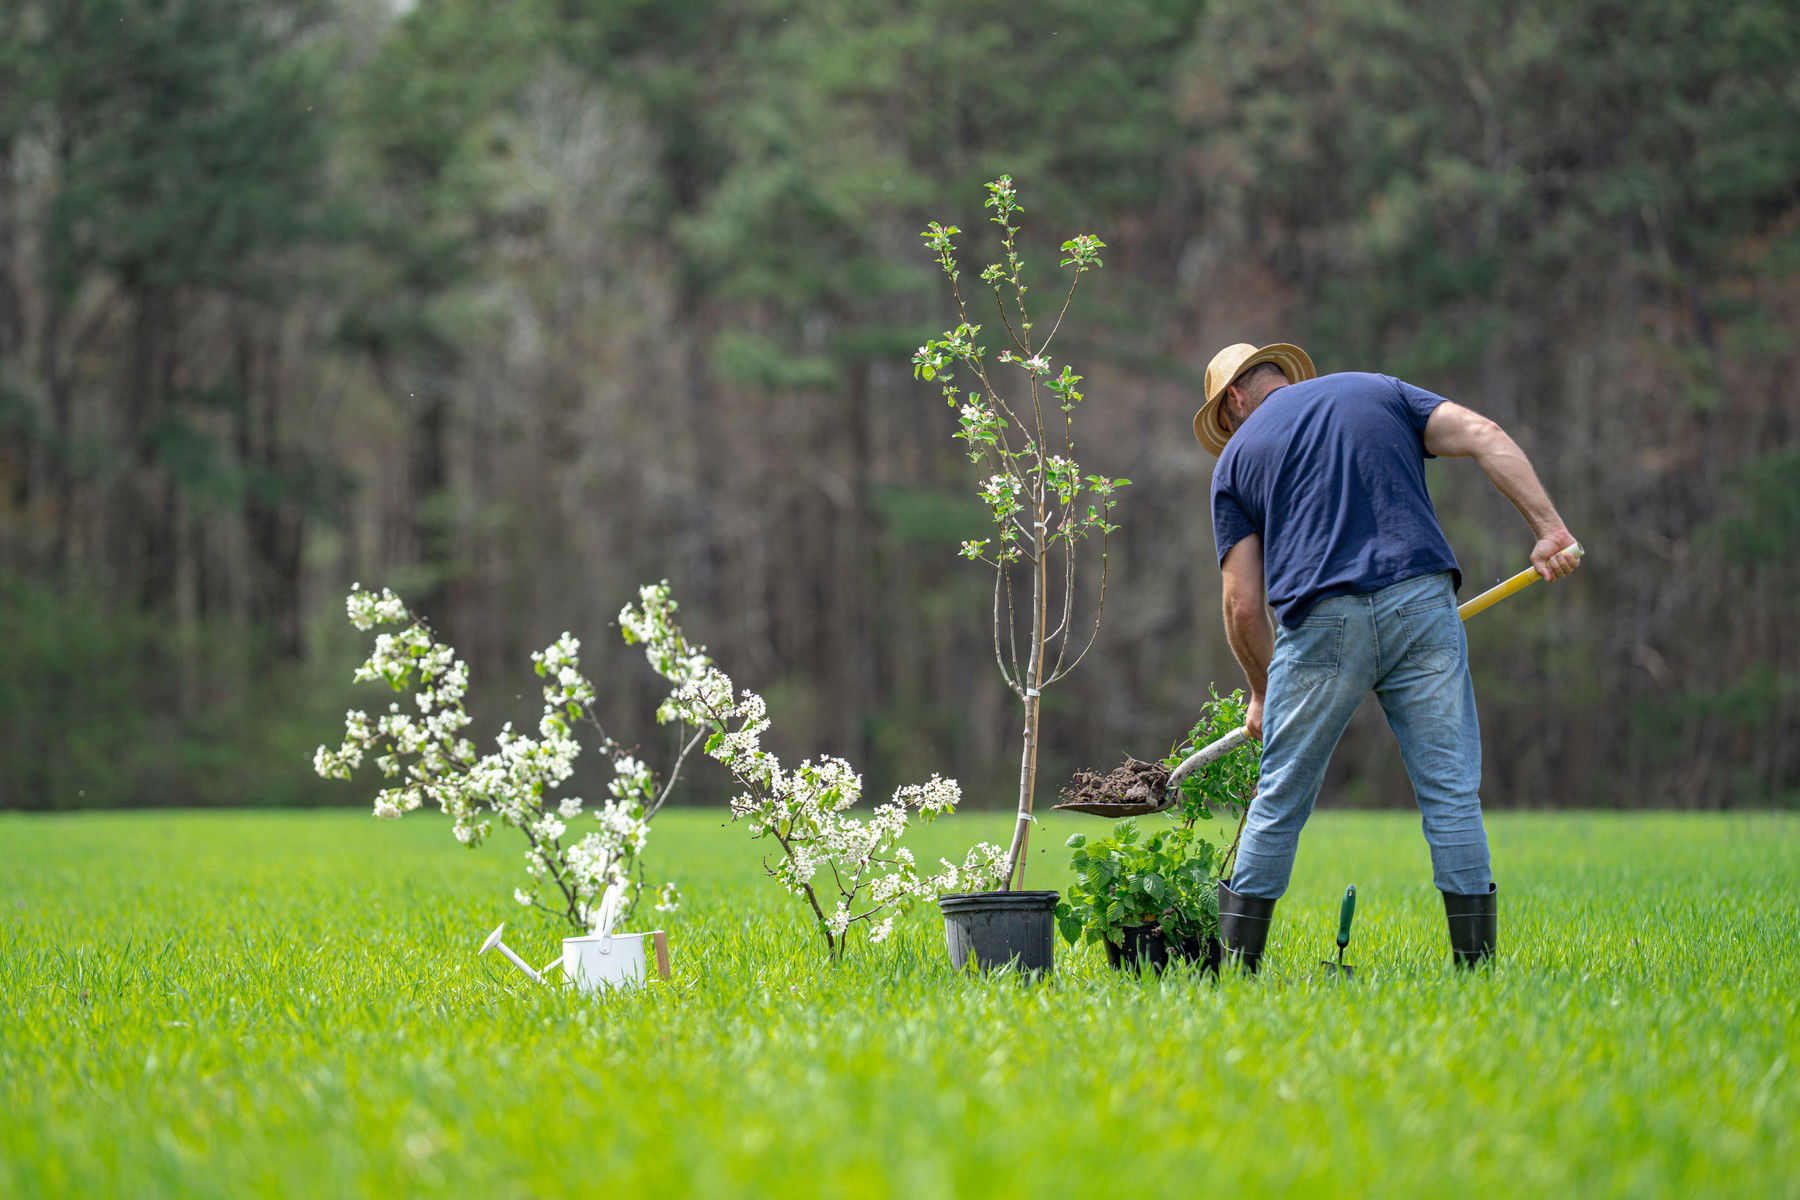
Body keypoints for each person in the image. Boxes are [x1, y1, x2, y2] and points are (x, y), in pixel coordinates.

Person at [1193, 342, 1582, 971]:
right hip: (1422, 603)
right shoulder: (1379, 390)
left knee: (1279, 801)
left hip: (1320, 625)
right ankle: (1476, 970)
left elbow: (1242, 606)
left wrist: (1264, 691)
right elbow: (1485, 434)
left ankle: (1237, 971)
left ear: (1233, 401)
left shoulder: (1237, 460)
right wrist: (1550, 530)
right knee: (1452, 795)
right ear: (1280, 376)